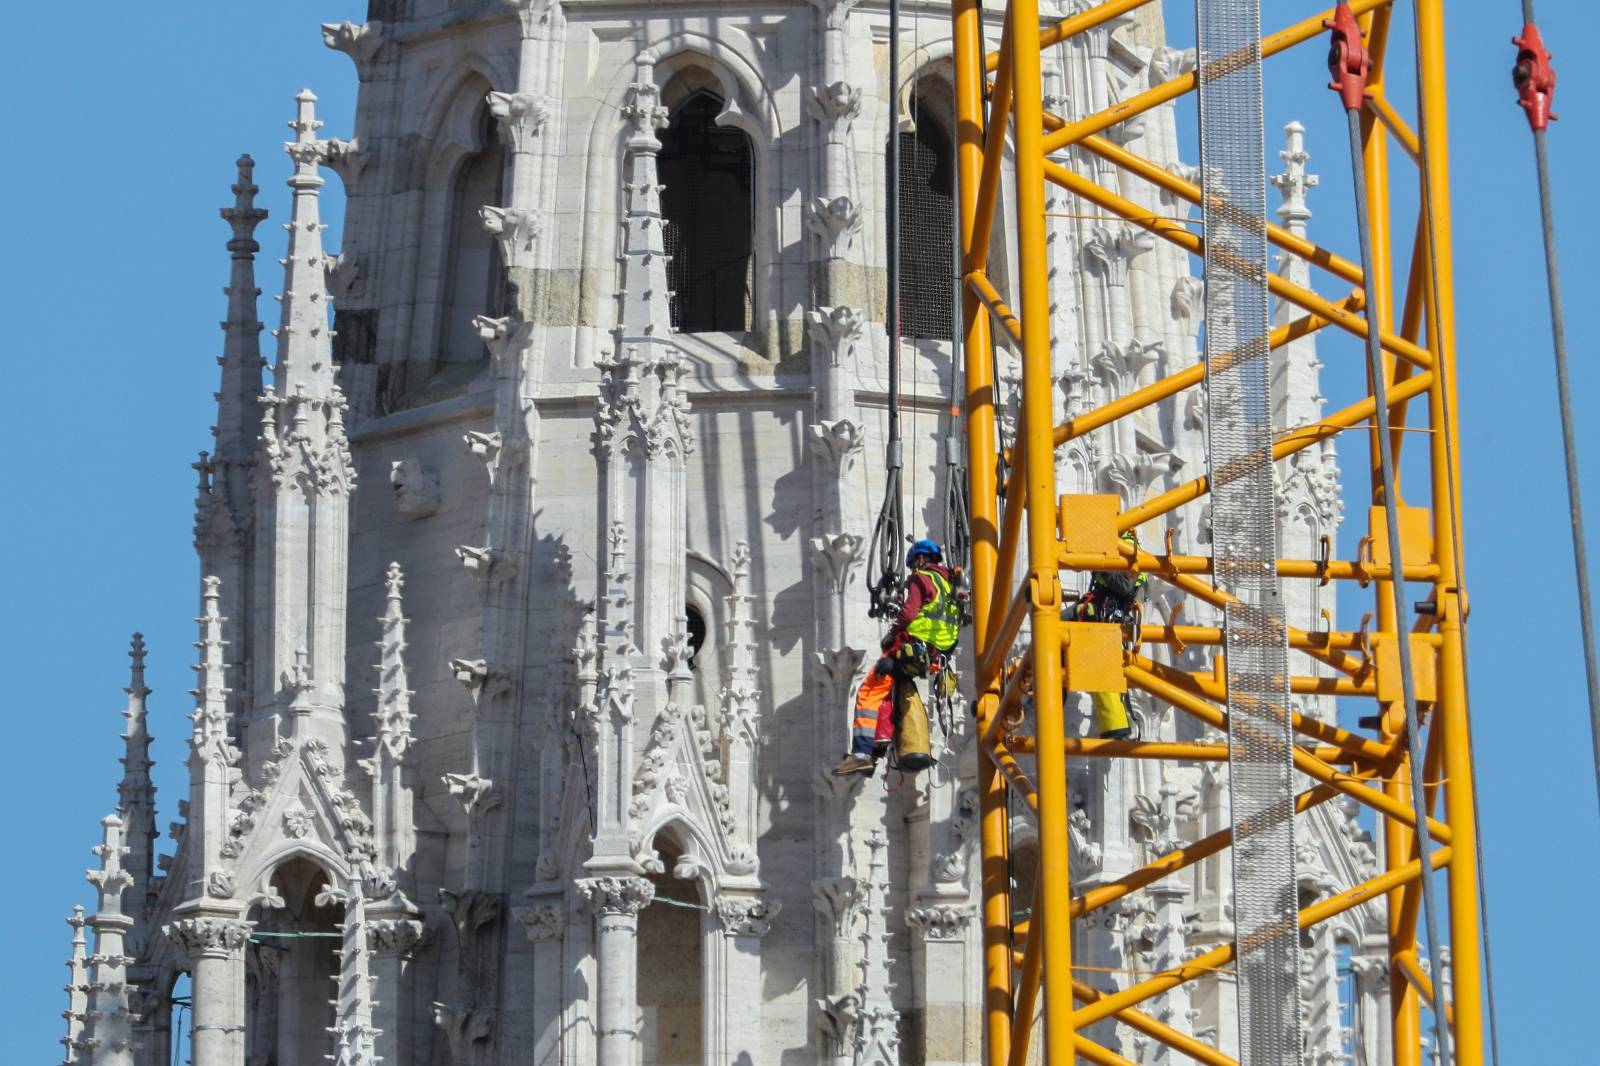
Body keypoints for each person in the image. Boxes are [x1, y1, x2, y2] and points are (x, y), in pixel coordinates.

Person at [833, 539, 962, 776]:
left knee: (869, 692)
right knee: (889, 693)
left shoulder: (921, 578)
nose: (914, 569)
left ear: (921, 559)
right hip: (935, 659)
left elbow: (909, 613)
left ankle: (861, 755)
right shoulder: (951, 586)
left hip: (911, 650)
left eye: (914, 564)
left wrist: (892, 636)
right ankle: (878, 749)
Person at [1071, 530, 1147, 740]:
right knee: (1093, 669)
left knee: (1058, 628)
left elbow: (1124, 585)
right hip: (1099, 608)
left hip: (1106, 612)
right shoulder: (1120, 549)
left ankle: (1116, 728)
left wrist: (1099, 565)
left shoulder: (1130, 550)